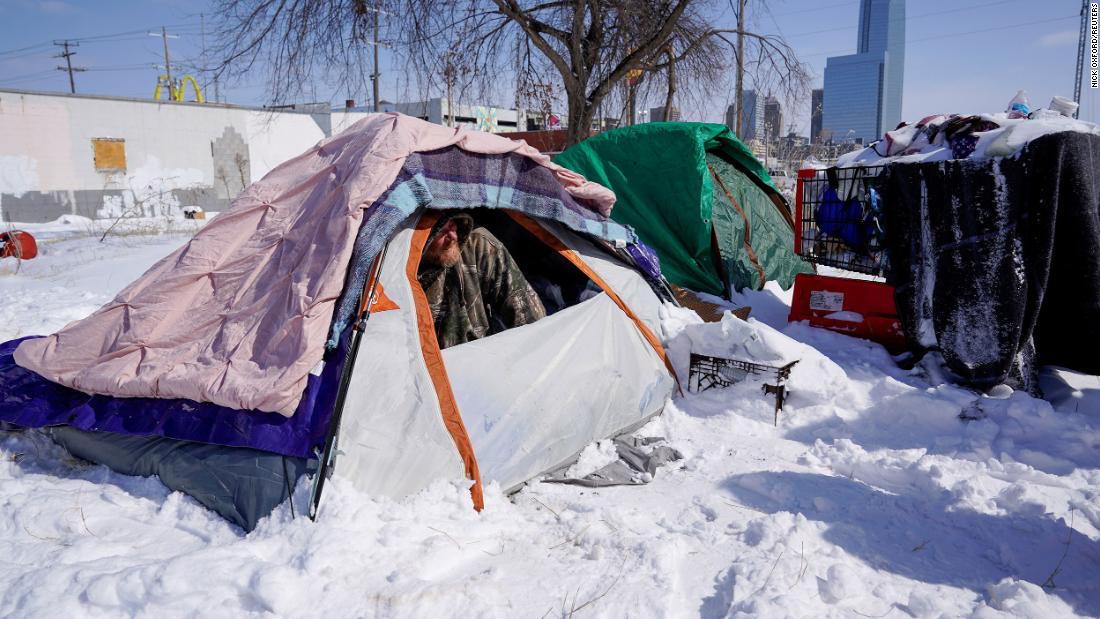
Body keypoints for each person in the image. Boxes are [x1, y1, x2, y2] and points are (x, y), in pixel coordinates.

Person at [417, 211, 547, 349]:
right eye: (442, 232)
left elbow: (531, 320)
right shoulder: (396, 273)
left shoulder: (477, 246)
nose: (454, 236)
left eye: (452, 225)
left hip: (480, 360)